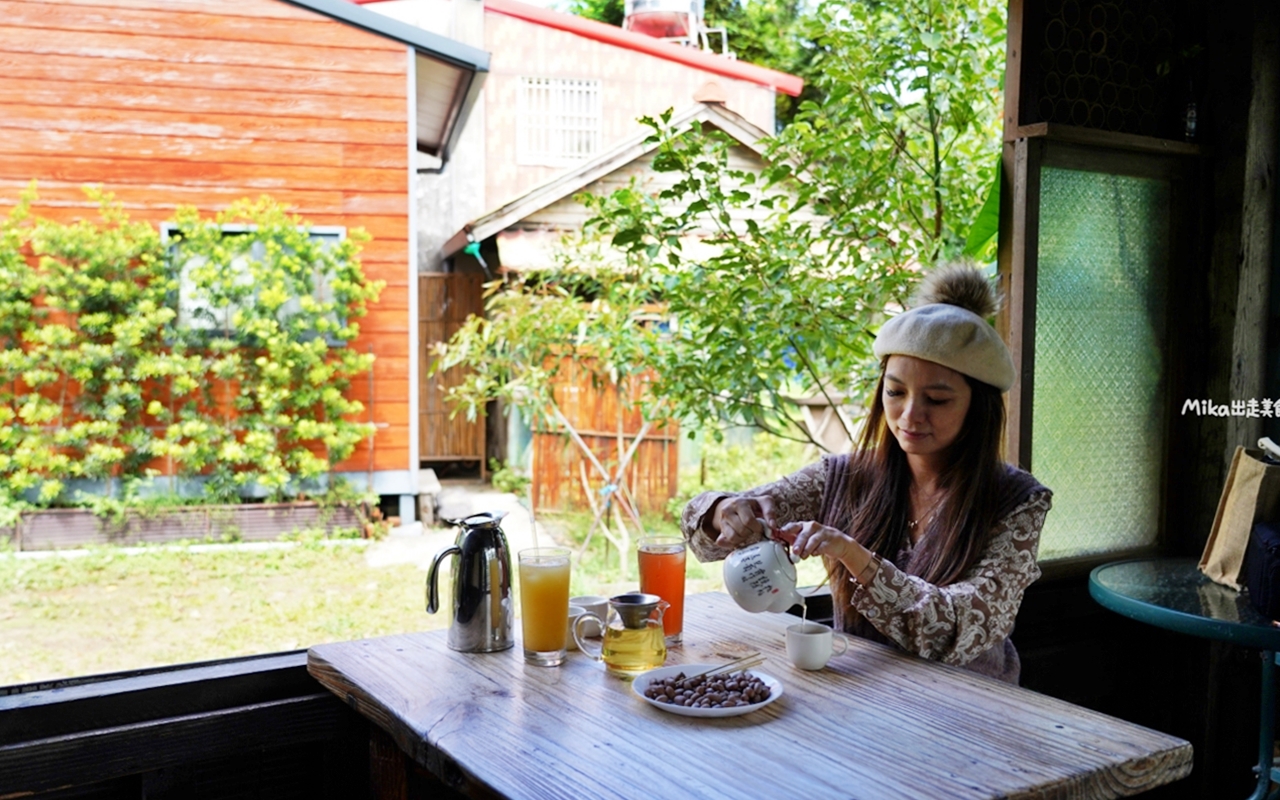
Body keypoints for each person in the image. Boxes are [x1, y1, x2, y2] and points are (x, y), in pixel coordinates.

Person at [681, 265, 1053, 684]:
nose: (910, 415)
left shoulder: (1018, 500)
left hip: (972, 715)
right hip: (860, 700)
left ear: (978, 408)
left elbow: (958, 628)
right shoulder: (845, 476)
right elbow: (704, 537)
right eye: (895, 392)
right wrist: (726, 512)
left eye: (936, 399)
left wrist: (853, 555)